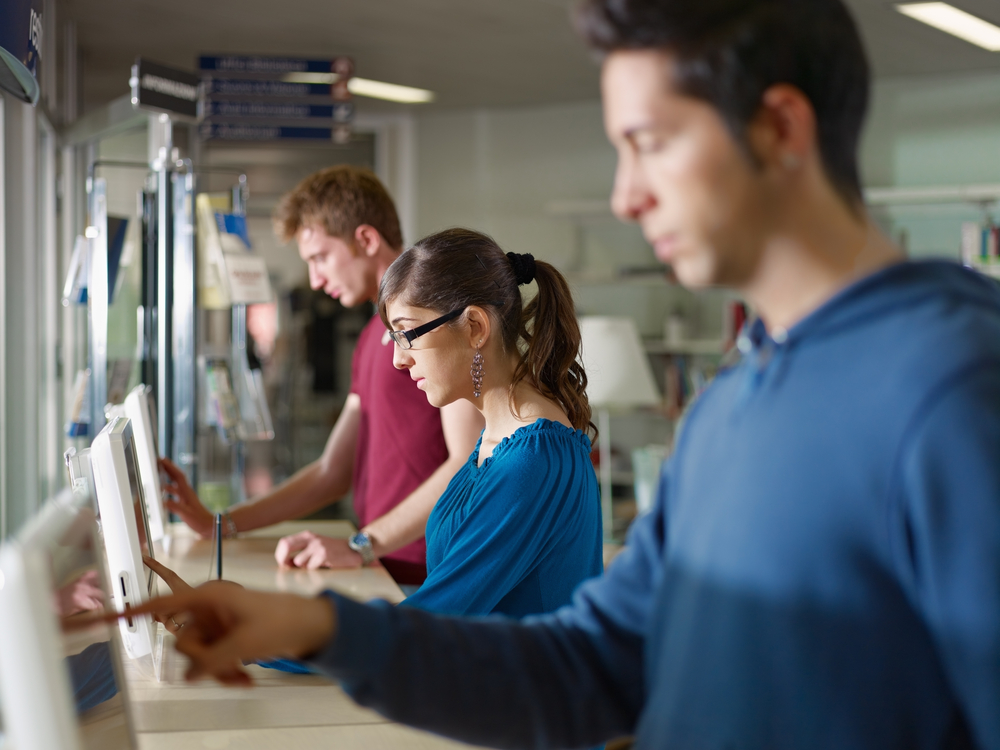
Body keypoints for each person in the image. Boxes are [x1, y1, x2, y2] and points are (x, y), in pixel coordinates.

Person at [112, 0, 1000, 748]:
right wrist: (318, 627)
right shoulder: (737, 397)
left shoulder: (958, 386)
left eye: (649, 142)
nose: (625, 195)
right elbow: (599, 659)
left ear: (779, 127)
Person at [162, 166, 483, 587]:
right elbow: (333, 470)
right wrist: (221, 524)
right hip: (383, 566)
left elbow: (468, 459)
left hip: (430, 572)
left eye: (320, 258)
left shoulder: (430, 324)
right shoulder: (374, 335)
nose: (315, 279)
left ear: (366, 239)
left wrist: (361, 545)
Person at [380, 228, 602, 616]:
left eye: (407, 333)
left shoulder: (532, 460)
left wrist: (279, 635)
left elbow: (431, 620)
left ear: (475, 327)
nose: (400, 359)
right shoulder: (499, 438)